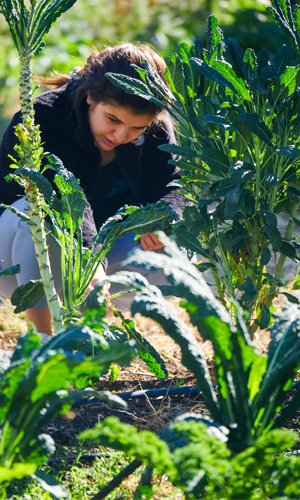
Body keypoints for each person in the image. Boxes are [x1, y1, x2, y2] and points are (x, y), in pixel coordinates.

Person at [0, 43, 183, 337]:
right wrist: (90, 262)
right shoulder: (44, 117)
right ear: (90, 97)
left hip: (101, 257)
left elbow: (172, 185)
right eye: (113, 119)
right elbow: (62, 197)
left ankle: (93, 330)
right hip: (15, 259)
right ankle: (45, 341)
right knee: (33, 211)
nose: (121, 135)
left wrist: (165, 222)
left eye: (136, 129)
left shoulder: (155, 126)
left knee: (179, 254)